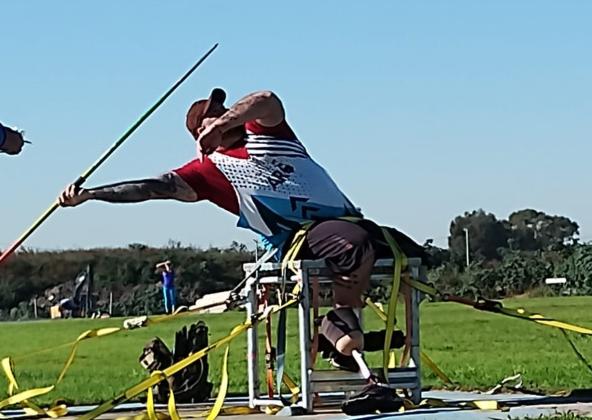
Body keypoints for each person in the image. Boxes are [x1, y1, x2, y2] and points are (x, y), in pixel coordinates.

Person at [57, 88, 419, 414]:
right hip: (301, 238)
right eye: (216, 114)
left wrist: (224, 122)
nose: (228, 114)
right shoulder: (206, 172)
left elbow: (266, 99)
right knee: (350, 243)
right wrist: (91, 194)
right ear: (200, 131)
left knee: (402, 249)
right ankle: (345, 330)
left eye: (227, 110)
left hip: (351, 221)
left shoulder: (269, 134)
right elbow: (152, 187)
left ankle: (339, 335)